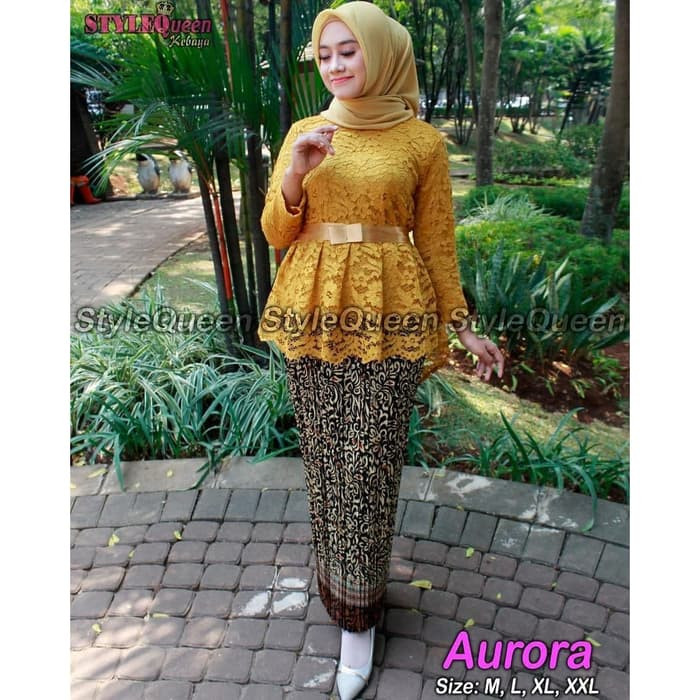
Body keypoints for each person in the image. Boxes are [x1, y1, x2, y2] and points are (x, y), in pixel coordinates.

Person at [257, 3, 505, 698]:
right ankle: (336, 584)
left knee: (369, 466)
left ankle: (359, 621)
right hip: (312, 311)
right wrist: (296, 173)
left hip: (390, 315)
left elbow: (438, 243)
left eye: (349, 50)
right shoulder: (307, 131)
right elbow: (277, 231)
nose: (335, 65)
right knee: (327, 462)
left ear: (384, 53)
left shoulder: (421, 142)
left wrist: (462, 326)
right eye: (325, 54)